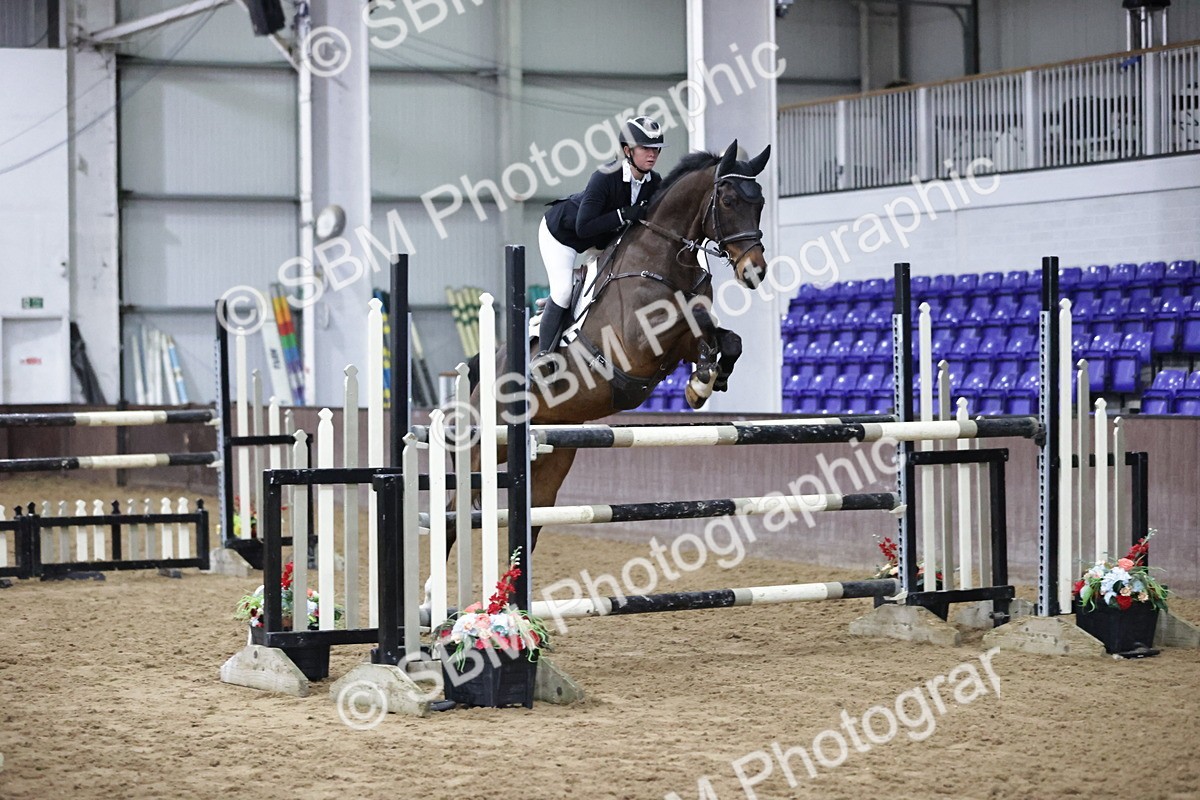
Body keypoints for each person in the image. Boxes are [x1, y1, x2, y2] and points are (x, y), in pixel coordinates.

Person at [536, 115, 667, 357]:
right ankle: (544, 355)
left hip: (601, 241)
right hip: (563, 235)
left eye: (656, 149)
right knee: (563, 290)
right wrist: (622, 214)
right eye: (645, 148)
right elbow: (583, 227)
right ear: (627, 150)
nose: (652, 154)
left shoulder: (654, 182)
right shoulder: (605, 176)